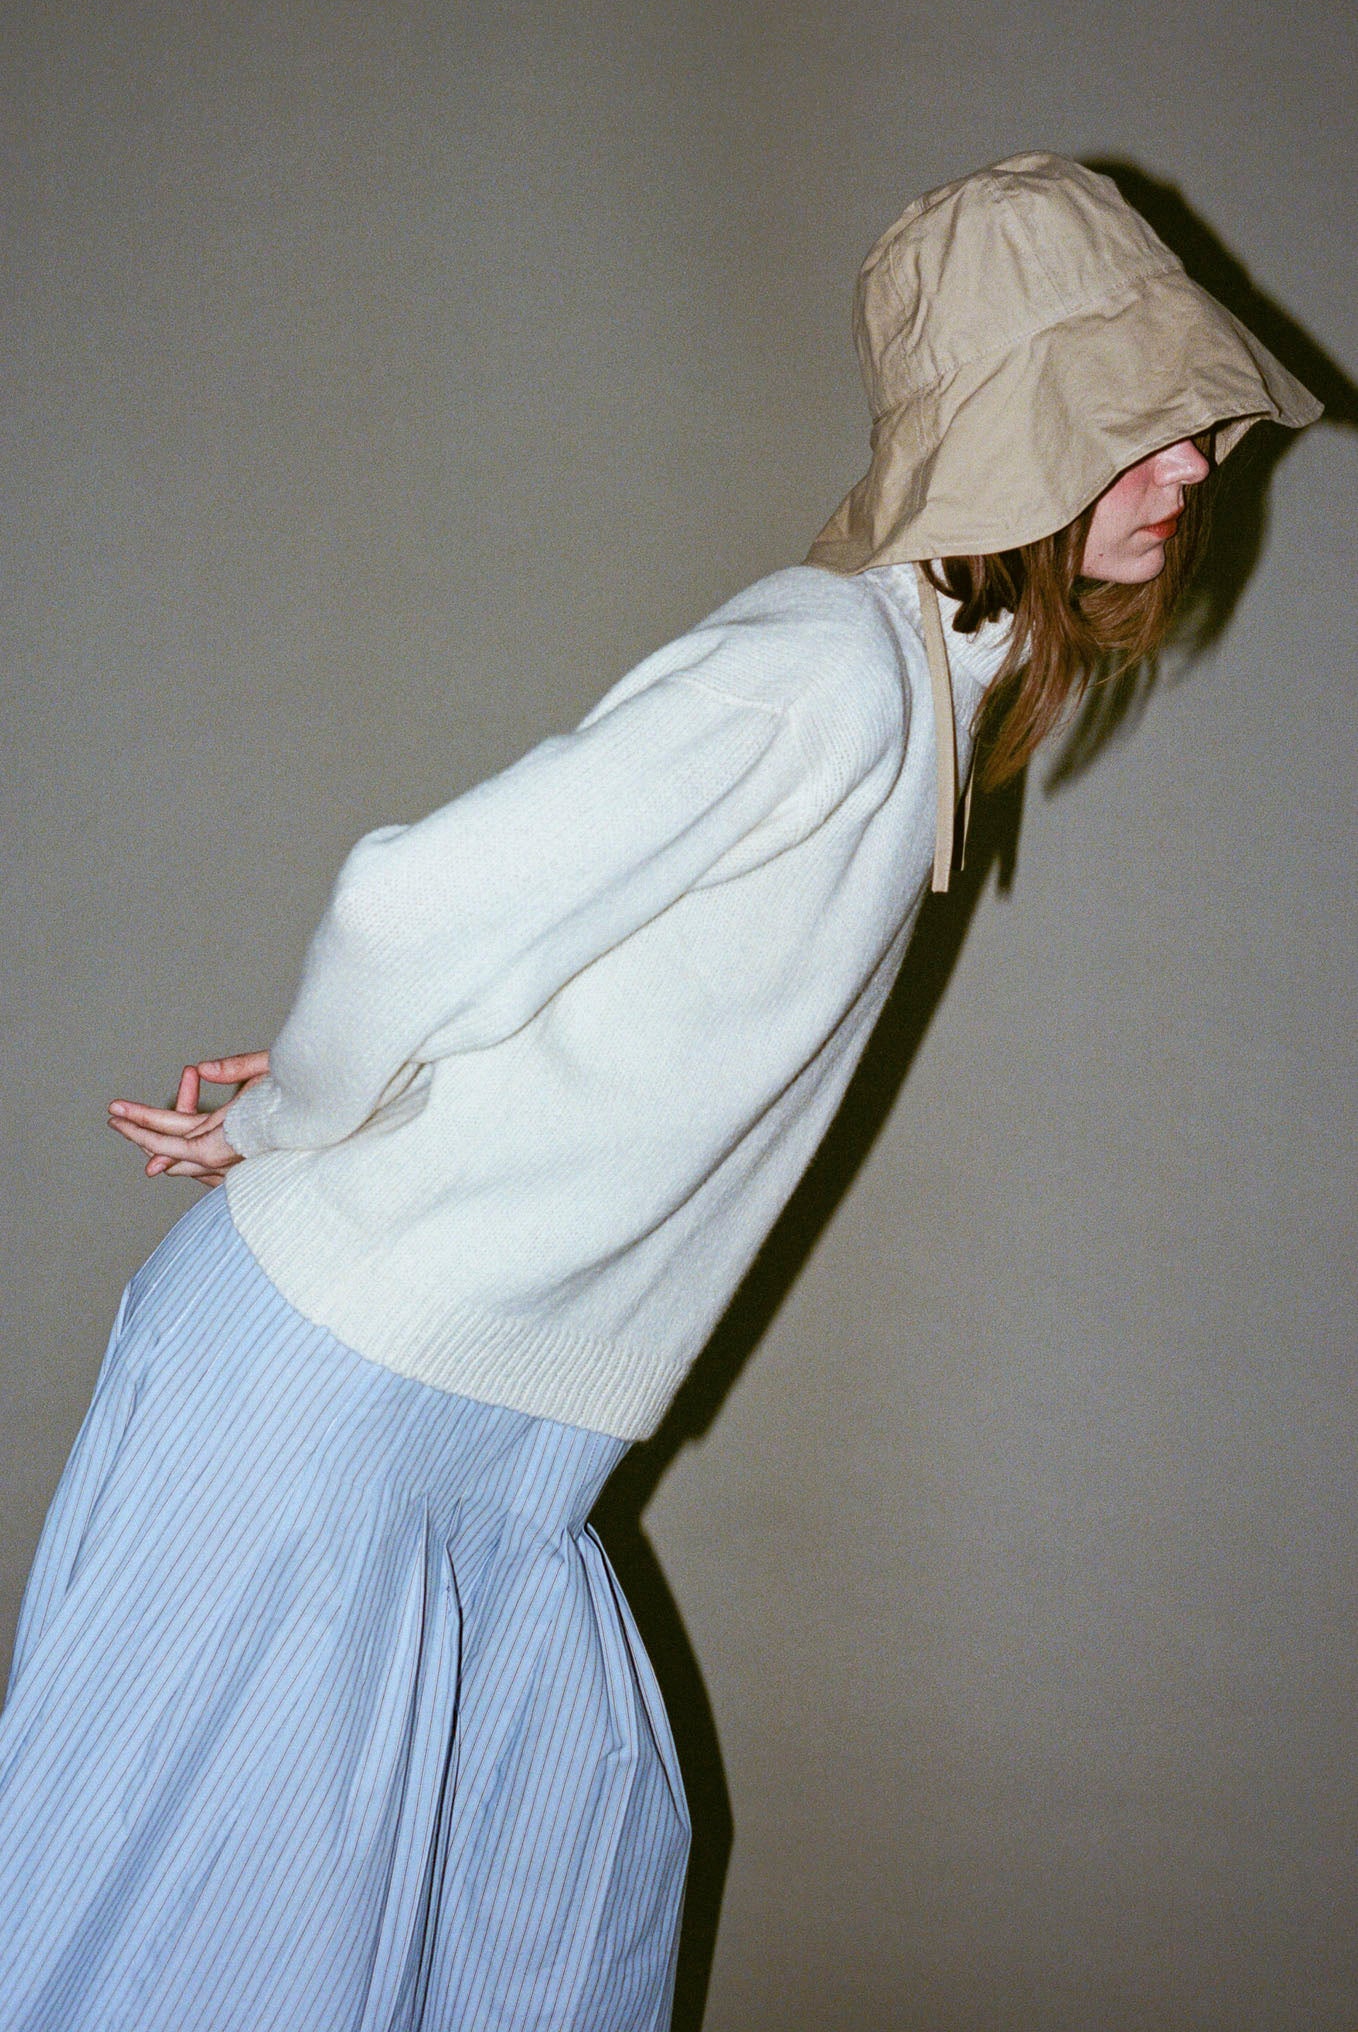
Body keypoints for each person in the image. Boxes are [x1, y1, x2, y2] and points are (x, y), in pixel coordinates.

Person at [0, 152, 1319, 2032]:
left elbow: (567, 974)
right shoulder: (828, 669)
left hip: (499, 1447)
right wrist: (298, 1122)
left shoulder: (920, 697)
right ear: (1008, 438)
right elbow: (408, 901)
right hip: (332, 1399)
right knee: (193, 1955)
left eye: (1189, 416)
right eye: (1131, 419)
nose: (1189, 462)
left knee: (555, 1918)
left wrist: (353, 1084)